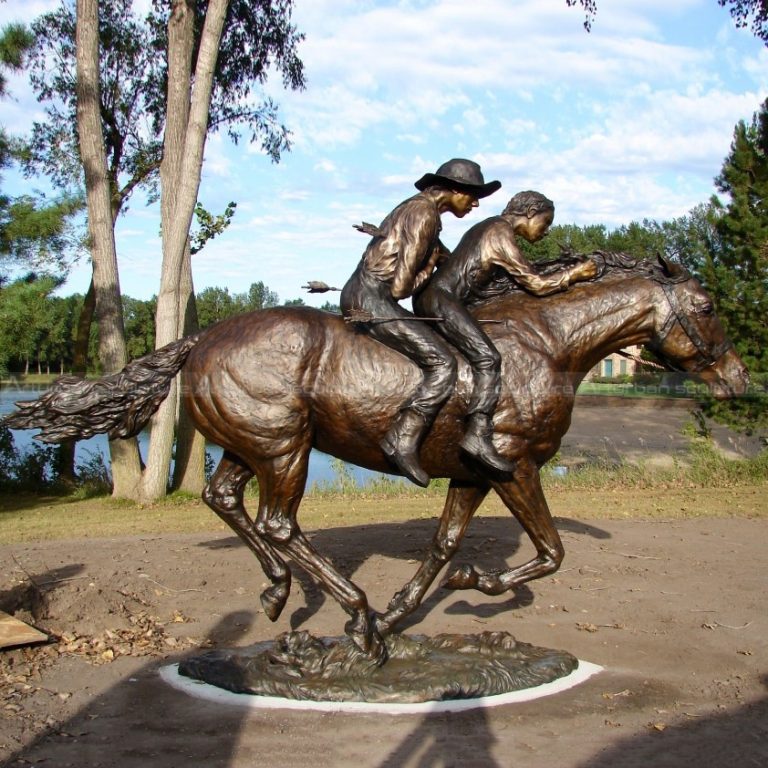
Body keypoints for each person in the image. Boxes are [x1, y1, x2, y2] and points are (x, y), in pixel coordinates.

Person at [340, 158, 501, 487]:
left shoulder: (419, 210)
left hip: (369, 295)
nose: (475, 204)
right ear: (455, 190)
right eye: (473, 196)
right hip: (370, 299)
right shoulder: (424, 215)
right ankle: (402, 437)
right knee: (442, 361)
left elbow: (446, 259)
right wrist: (429, 266)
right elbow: (401, 287)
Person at [414, 190, 600, 473]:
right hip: (441, 299)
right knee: (488, 358)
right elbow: (535, 283)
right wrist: (575, 274)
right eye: (546, 222)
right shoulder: (499, 232)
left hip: (441, 298)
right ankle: (477, 434)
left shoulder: (489, 227)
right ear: (530, 213)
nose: (546, 231)